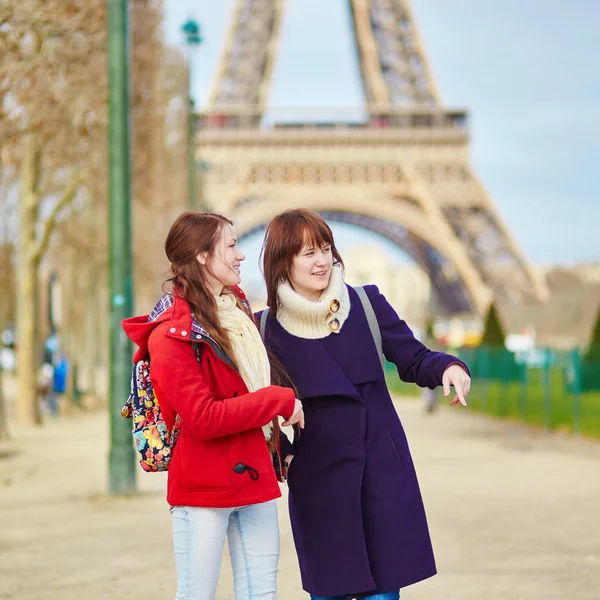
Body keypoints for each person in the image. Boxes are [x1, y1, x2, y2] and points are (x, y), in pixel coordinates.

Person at [257, 209, 471, 600]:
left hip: (381, 473)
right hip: (318, 481)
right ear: (281, 261)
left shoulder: (367, 304)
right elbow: (257, 408)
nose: (322, 261)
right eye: (308, 253)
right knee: (330, 593)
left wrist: (450, 367)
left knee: (384, 594)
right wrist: (283, 454)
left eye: (325, 249)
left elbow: (415, 358)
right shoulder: (264, 329)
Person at [122, 212, 304, 600]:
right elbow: (203, 418)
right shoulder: (170, 335)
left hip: (254, 476)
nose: (242, 256)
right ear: (203, 256)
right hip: (204, 486)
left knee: (261, 594)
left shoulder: (236, 312)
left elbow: (252, 382)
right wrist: (278, 400)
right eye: (232, 245)